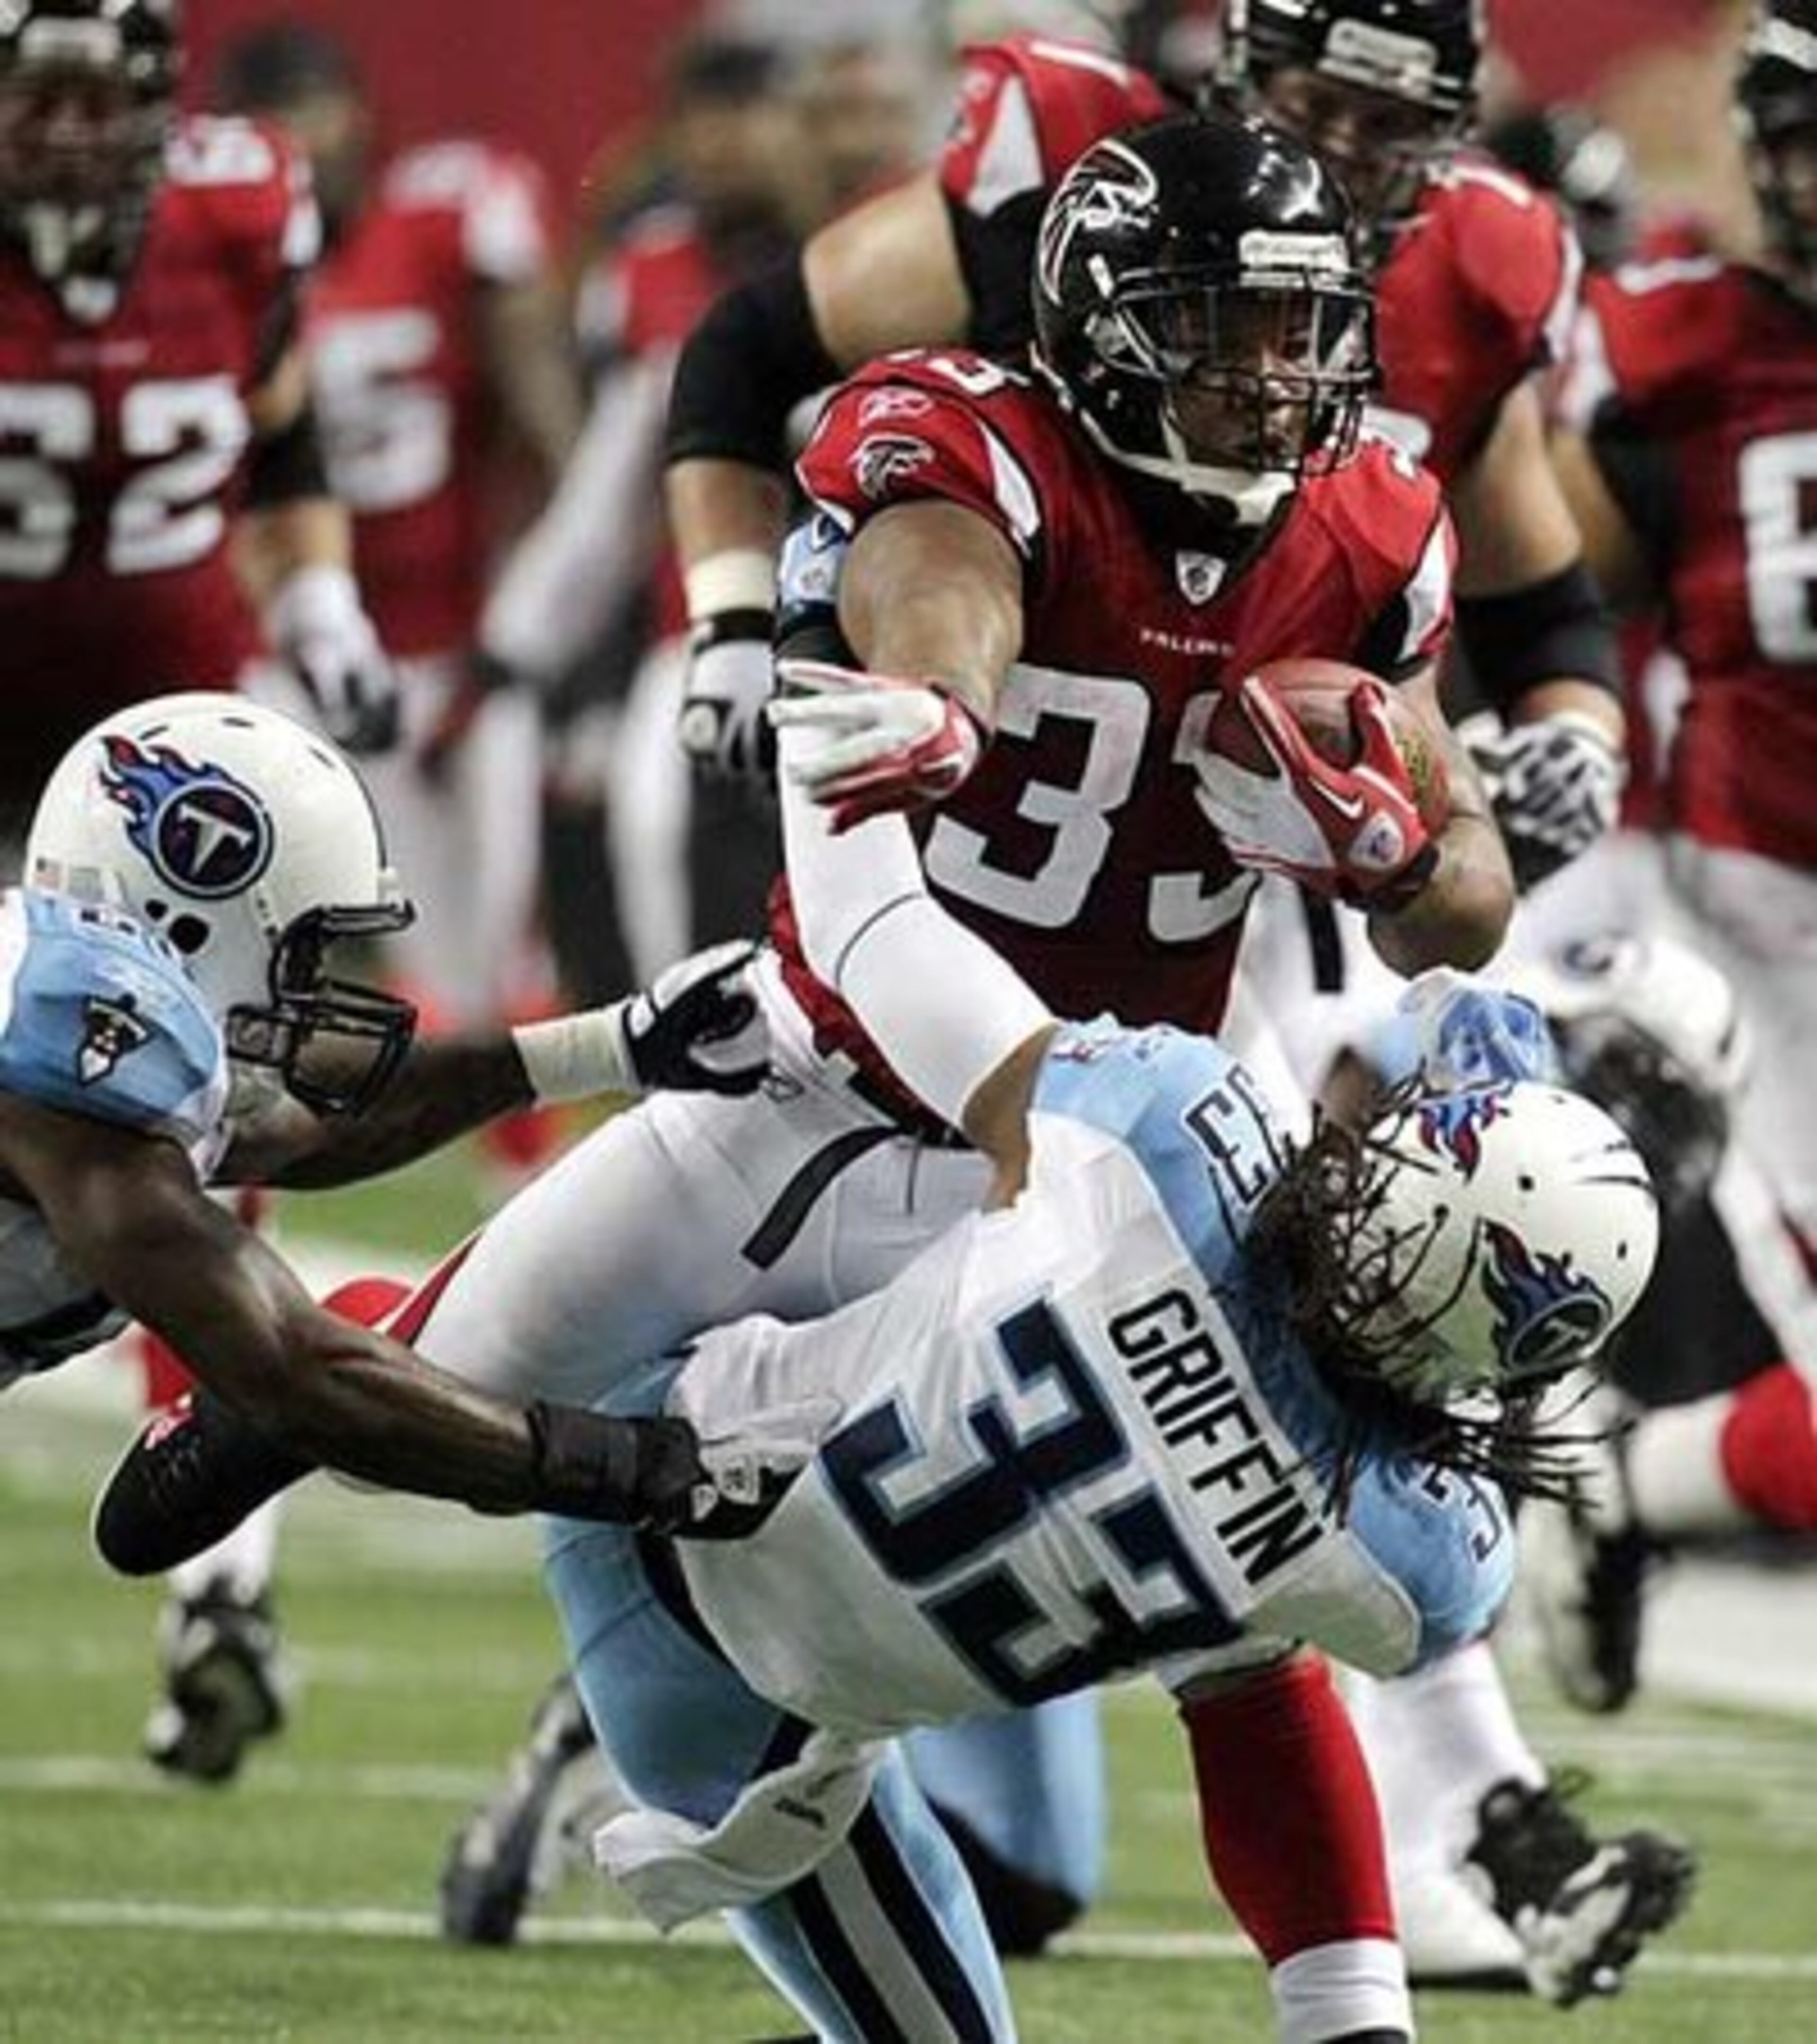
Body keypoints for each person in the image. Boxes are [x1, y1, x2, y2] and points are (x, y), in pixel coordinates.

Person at [103, 664, 1664, 2044]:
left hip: (670, 1436)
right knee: (1242, 1645)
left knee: (866, 1159)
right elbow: (1296, 1682)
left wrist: (852, 782)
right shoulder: (1411, 1550)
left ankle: (325, 1371)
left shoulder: (1181, 1142)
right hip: (749, 1733)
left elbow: (916, 985)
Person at [664, 0, 1625, 897]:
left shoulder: (1471, 272)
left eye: (1388, 127)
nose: (1339, 157)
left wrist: (1576, 738)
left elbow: (1538, 605)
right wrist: (735, 617)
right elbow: (744, 354)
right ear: (1244, 73)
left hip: (1230, 795)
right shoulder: (1085, 169)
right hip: (975, 715)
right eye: (1316, 107)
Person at [3, 691, 780, 1750]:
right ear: (196, 903)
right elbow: (297, 1374)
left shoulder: (81, 1033)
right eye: (303, 951)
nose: (317, 990)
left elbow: (303, 1131)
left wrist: (615, 1045)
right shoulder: (76, 1053)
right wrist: (639, 1466)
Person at [1540, 0, 1817, 1570]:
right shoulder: (1676, 339)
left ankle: (1628, 1485)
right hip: (1779, 906)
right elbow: (1539, 598)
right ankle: (1624, 1489)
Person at [209, 23, 583, 1129]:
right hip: (307, 654)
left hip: (464, 640)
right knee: (291, 941)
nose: (305, 139)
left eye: (316, 107)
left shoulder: (446, 216)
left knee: (498, 959)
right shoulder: (223, 266)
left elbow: (542, 404)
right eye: (274, 124)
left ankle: (528, 1192)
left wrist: (540, 607)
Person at [0, 0, 397, 850]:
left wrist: (324, 616)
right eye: (38, 99)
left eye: (96, 102)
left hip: (177, 729)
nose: (69, 134)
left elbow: (284, 440)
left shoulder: (235, 214)